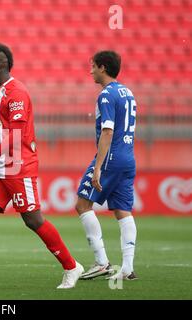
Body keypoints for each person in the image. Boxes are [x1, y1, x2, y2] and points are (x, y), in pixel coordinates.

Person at [0, 43, 84, 290]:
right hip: (0, 166)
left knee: (32, 219)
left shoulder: (17, 93)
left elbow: (15, 135)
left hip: (19, 165)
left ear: (0, 65)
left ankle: (71, 266)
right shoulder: (1, 92)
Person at [76, 51, 138, 281]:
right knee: (122, 210)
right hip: (128, 158)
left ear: (103, 67)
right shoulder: (127, 92)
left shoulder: (106, 95)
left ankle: (102, 262)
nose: (90, 70)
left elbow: (108, 130)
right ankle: (128, 269)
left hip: (110, 159)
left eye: (92, 66)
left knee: (82, 204)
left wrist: (99, 166)